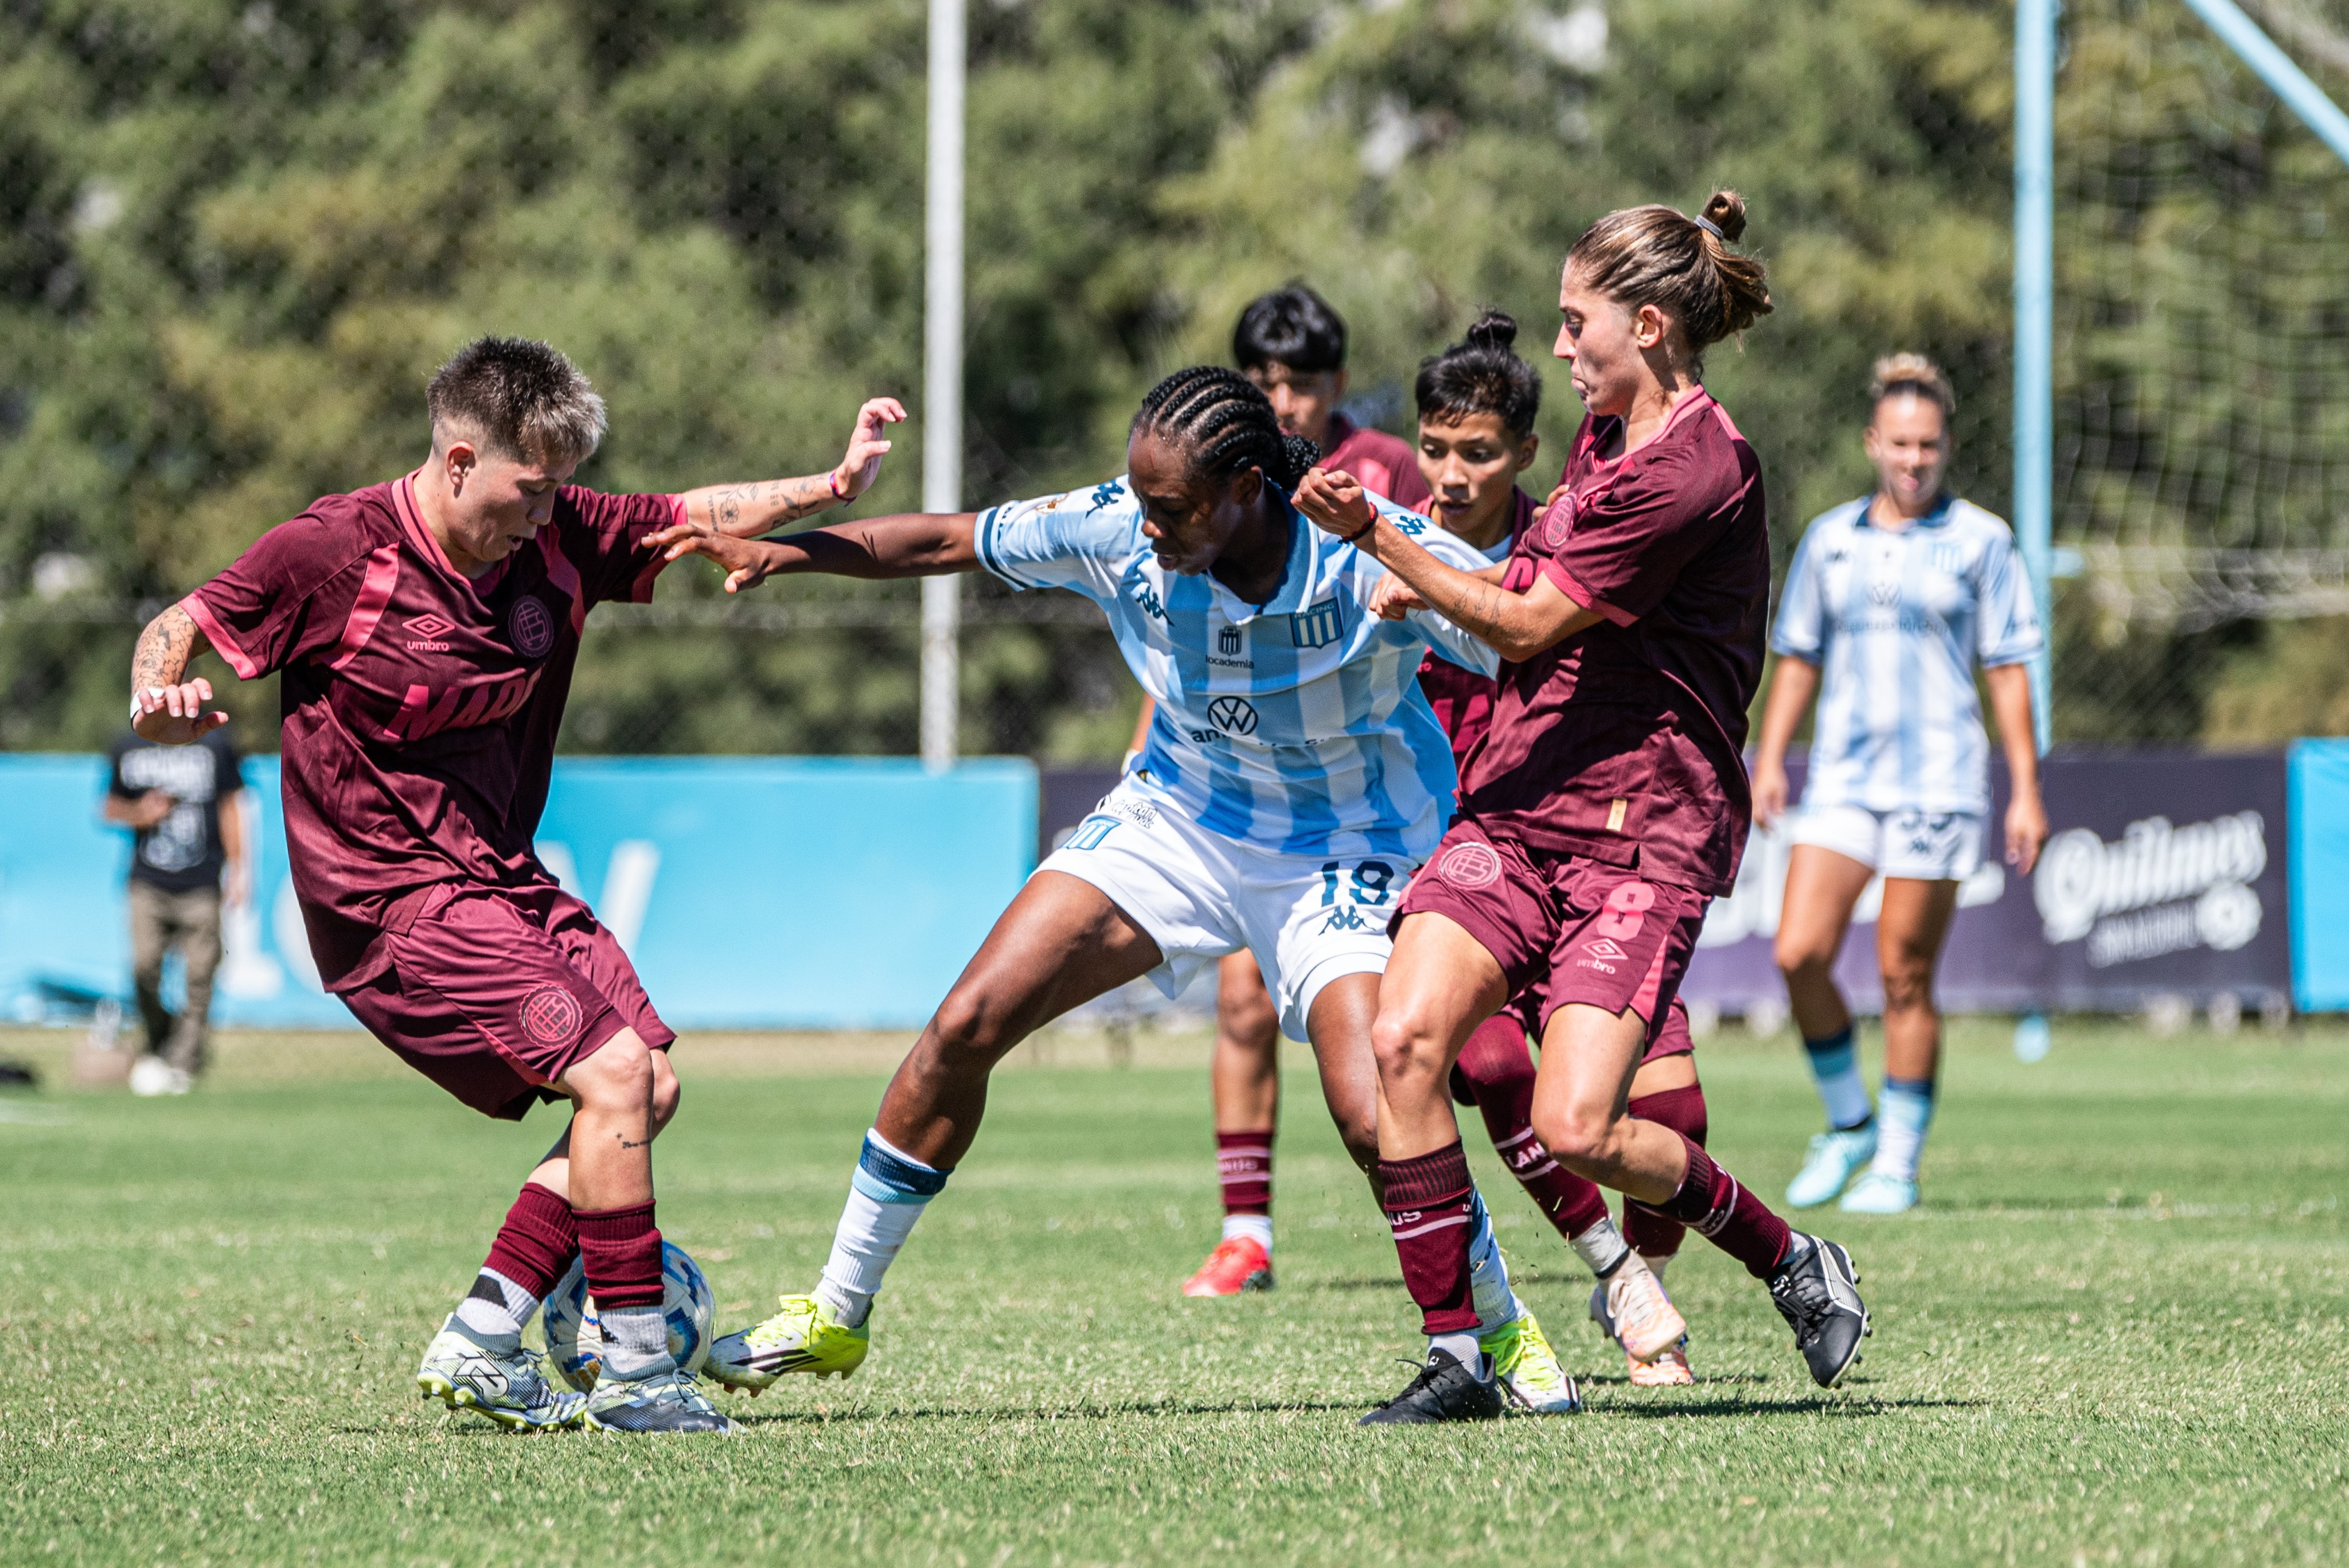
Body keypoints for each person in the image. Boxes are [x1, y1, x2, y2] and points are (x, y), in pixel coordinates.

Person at [660, 366, 1585, 1414]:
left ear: (1246, 487)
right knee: (964, 1022)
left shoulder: (1361, 551)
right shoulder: (1115, 525)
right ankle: (835, 1312)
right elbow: (943, 540)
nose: (1144, 526)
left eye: (1171, 508)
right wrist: (783, 552)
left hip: (1346, 843)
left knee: (1378, 1114)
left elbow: (1534, 628)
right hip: (1177, 819)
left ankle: (1501, 1336)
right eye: (1139, 502)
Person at [127, 335, 904, 1435]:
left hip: (497, 878)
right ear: (456, 461)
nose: (547, 517)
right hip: (387, 898)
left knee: (647, 1089)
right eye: (528, 491)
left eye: (557, 492)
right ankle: (639, 1374)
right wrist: (161, 691)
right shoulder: (336, 549)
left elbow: (691, 514)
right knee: (618, 1072)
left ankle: (486, 1336)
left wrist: (830, 485)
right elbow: (180, 625)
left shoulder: (559, 535)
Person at [1294, 192, 1872, 1423]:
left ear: (1648, 325)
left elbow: (1528, 617)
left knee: (1579, 1123)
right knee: (1405, 1041)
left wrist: (1385, 548)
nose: (1557, 351)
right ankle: (1460, 1350)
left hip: (1645, 831)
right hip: (1519, 801)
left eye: (1576, 325)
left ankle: (1788, 1258)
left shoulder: (1695, 468)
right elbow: (1528, 570)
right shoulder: (1607, 433)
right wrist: (1450, 583)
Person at [1403, 309, 1713, 1388]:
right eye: (1433, 450)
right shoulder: (1387, 547)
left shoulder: (1573, 538)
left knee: (1674, 1112)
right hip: (1471, 852)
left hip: (1594, 844)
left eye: (1476, 452)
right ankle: (1620, 1271)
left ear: (1524, 454)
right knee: (1487, 1061)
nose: (1448, 474)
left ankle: (1642, 1265)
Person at [1169, 283, 1431, 1298]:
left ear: (1336, 384)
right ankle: (1246, 1231)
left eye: (1305, 382)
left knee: (1432, 1034)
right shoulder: (1218, 478)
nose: (1287, 401)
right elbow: (1186, 630)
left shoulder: (1384, 471)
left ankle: (1475, 1210)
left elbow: (1444, 598)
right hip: (1249, 784)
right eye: (1267, 381)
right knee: (1241, 998)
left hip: (1374, 793)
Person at [1754, 353, 2047, 1215]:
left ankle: (1898, 1162)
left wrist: (2025, 786)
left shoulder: (1982, 542)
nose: (1913, 460)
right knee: (1798, 950)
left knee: (1902, 974)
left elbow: (2007, 669)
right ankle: (1851, 1121)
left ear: (1946, 445)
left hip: (1939, 784)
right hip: (1845, 777)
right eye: (1899, 444)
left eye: (1928, 445)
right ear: (1871, 443)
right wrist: (1770, 755)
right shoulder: (1831, 540)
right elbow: (1798, 656)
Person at [103, 719, 247, 1095]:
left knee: (200, 977)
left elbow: (231, 803)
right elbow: (108, 807)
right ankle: (161, 1038)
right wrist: (140, 814)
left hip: (202, 881)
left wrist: (239, 869)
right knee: (144, 967)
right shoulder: (129, 744)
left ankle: (184, 1063)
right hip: (148, 882)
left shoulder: (214, 743)